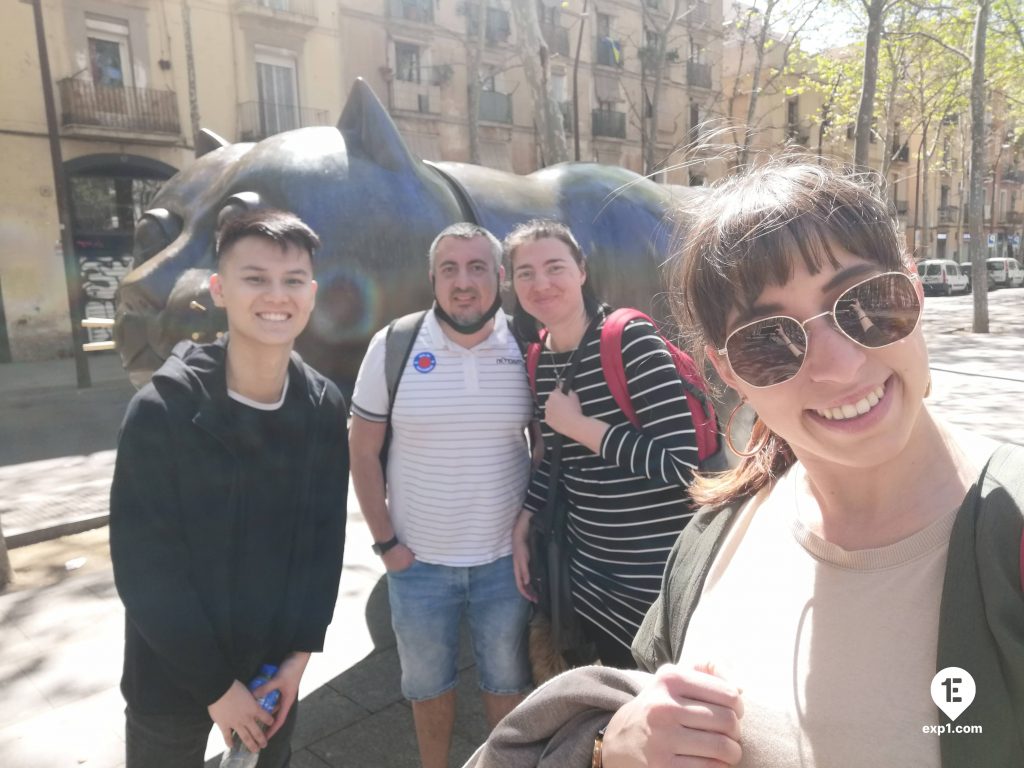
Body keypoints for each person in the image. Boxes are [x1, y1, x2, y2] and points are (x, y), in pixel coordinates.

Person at [464, 161, 1024, 768]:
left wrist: (588, 430)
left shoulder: (1007, 538)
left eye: (866, 304)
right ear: (729, 372)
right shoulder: (714, 541)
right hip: (591, 575)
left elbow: (676, 461)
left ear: (913, 289)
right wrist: (608, 746)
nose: (837, 365)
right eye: (768, 341)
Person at [109, 210, 348, 768]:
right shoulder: (162, 411)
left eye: (293, 281)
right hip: (171, 675)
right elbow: (144, 567)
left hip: (271, 672)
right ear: (219, 289)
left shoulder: (321, 407)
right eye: (255, 278)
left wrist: (298, 658)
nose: (276, 295)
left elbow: (322, 543)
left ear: (310, 294)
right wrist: (218, 689)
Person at [348, 222, 534, 768]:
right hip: (418, 564)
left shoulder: (526, 346)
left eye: (478, 267)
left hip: (505, 563)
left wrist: (530, 529)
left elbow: (544, 447)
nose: (463, 282)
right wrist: (388, 545)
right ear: (432, 279)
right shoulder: (395, 345)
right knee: (427, 687)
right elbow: (362, 452)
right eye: (449, 269)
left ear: (499, 278)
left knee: (508, 682)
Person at [505, 220, 700, 669]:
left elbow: (680, 464)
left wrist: (579, 425)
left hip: (657, 583)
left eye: (555, 267)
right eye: (525, 273)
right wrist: (524, 520)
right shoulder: (539, 356)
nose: (541, 283)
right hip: (590, 582)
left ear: (582, 271)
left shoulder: (629, 339)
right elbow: (556, 457)